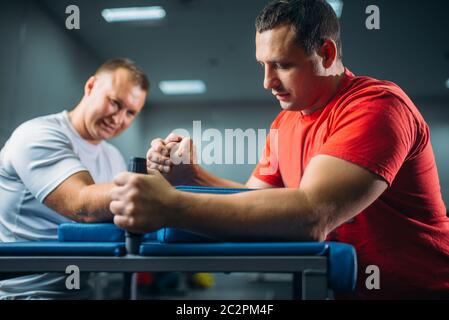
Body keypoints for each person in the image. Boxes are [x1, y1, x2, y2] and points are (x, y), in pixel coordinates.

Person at [109, 0, 449, 299]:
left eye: (282, 65)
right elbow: (255, 202)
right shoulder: (284, 123)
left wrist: (171, 205)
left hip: (423, 291)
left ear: (327, 54)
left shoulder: (376, 106)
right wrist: (192, 177)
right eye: (263, 66)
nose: (267, 82)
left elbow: (312, 214)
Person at [0, 58, 148, 299]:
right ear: (91, 87)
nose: (118, 118)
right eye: (114, 103)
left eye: (130, 112)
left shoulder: (112, 156)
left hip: (80, 291)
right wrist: (153, 188)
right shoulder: (37, 135)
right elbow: (82, 205)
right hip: (26, 293)